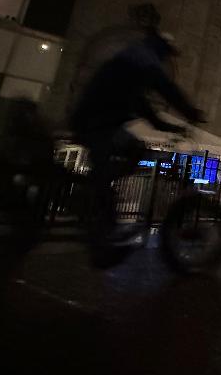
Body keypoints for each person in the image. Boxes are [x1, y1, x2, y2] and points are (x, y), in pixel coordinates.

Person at [69, 28, 202, 266]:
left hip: (100, 120)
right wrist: (191, 112)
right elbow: (164, 87)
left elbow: (141, 104)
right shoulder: (143, 57)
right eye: (166, 53)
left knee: (133, 150)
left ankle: (98, 193)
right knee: (123, 156)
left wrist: (165, 126)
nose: (166, 59)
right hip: (96, 122)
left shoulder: (131, 64)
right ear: (160, 47)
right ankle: (100, 221)